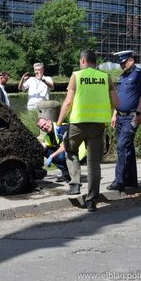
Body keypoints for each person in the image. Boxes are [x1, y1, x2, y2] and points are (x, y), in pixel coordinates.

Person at [57, 50, 117, 212]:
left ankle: (75, 184)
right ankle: (91, 201)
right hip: (98, 126)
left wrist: (59, 121)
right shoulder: (106, 77)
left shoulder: (76, 76)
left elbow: (68, 102)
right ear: (95, 62)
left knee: (69, 148)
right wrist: (111, 114)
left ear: (83, 61)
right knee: (93, 164)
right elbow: (115, 102)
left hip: (78, 124)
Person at [107, 50, 141, 191]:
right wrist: (114, 114)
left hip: (132, 116)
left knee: (121, 146)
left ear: (131, 60)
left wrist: (139, 113)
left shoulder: (138, 74)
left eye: (123, 62)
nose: (121, 65)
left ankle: (119, 181)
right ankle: (132, 180)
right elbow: (119, 98)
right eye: (120, 63)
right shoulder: (122, 76)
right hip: (120, 116)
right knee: (128, 148)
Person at [36, 117, 70, 182]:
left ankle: (71, 172)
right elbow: (43, 146)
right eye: (42, 127)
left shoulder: (60, 127)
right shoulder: (47, 136)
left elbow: (64, 146)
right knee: (45, 151)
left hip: (76, 150)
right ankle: (66, 173)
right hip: (65, 150)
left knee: (60, 156)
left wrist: (51, 156)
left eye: (44, 124)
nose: (44, 127)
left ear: (49, 120)